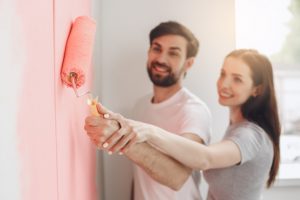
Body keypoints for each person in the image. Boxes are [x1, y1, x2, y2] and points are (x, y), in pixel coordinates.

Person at [100, 49, 281, 200]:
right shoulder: (237, 128)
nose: (224, 84)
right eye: (223, 74)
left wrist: (149, 131)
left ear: (257, 89)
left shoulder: (250, 135)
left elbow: (205, 159)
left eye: (237, 79)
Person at [84, 21, 212, 200]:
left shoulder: (193, 111)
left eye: (173, 53)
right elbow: (140, 175)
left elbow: (177, 177)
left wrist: (121, 136)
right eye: (156, 49)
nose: (161, 59)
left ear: (188, 63)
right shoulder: (140, 106)